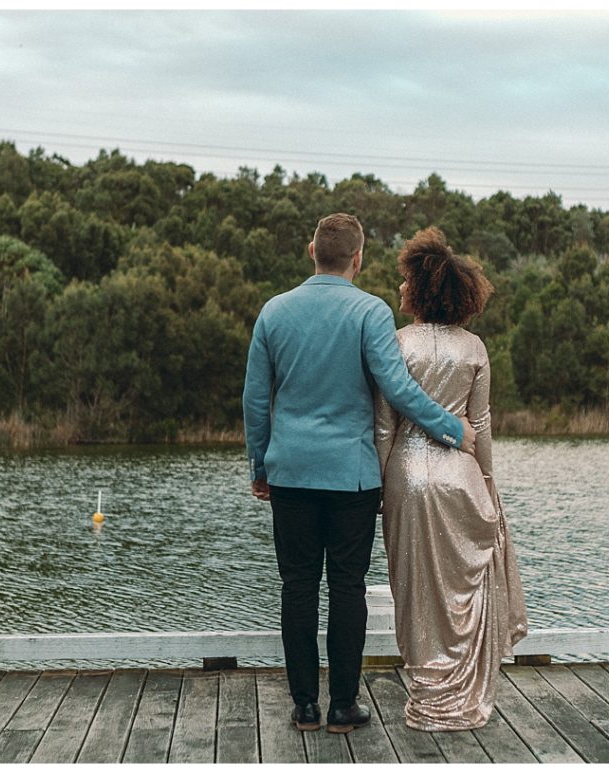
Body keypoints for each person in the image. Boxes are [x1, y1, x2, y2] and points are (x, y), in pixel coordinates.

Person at [243, 213, 476, 734]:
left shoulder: (274, 312)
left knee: (297, 587)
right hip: (352, 477)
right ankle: (343, 707)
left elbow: (257, 400)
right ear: (358, 257)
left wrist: (260, 464)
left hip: (291, 474)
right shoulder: (370, 312)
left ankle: (304, 706)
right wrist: (452, 429)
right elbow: (398, 390)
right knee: (347, 587)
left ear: (311, 251)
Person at [374, 226, 528, 731]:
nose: (399, 289)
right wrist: (487, 480)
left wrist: (379, 486)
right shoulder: (475, 349)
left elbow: (384, 427)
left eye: (404, 282)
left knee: (414, 589)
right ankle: (460, 700)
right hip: (460, 474)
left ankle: (425, 696)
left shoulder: (397, 343)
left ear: (420, 289)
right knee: (464, 589)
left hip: (406, 475)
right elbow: (480, 425)